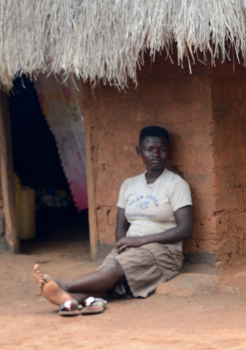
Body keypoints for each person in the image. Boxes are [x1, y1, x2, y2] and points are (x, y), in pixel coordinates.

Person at [33, 126, 194, 316]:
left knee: (114, 269)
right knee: (110, 275)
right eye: (150, 149)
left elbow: (185, 229)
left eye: (162, 149)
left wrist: (141, 241)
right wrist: (123, 244)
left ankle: (63, 284)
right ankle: (72, 300)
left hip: (164, 250)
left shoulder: (176, 185)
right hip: (132, 247)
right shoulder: (129, 185)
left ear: (169, 152)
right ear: (139, 151)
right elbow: (121, 226)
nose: (156, 154)